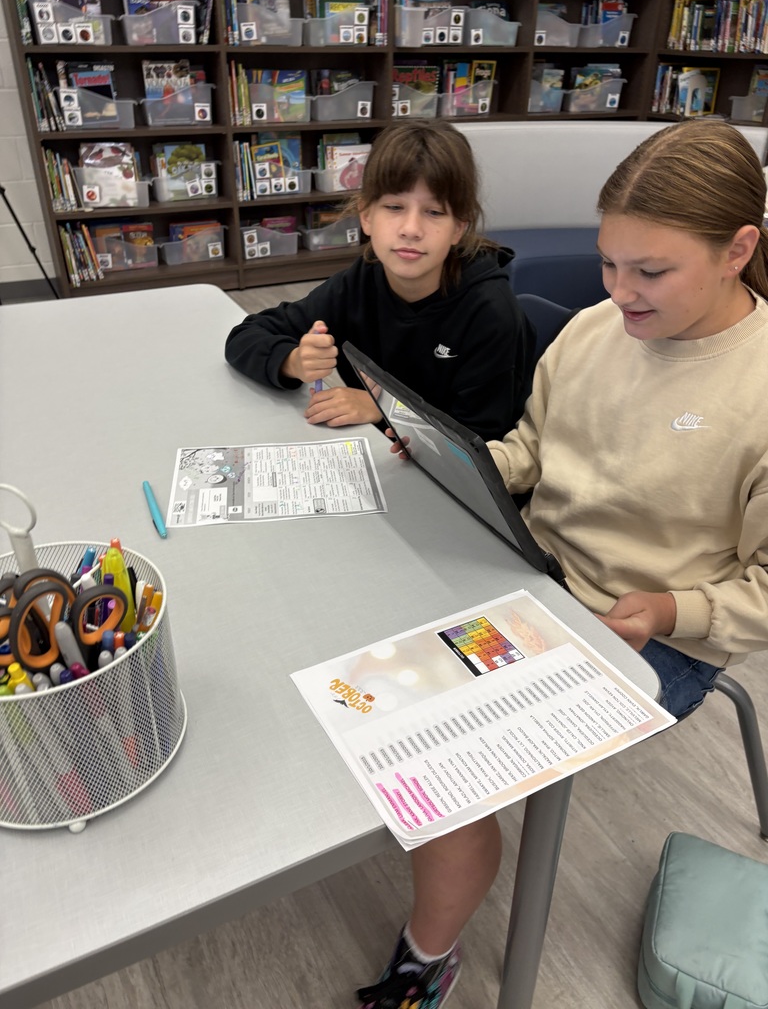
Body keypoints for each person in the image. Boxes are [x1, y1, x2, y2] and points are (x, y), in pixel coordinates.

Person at [371, 118, 768, 1009]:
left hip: (656, 633)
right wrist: (464, 461)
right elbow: (533, 449)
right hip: (536, 573)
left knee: (448, 760)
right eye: (608, 263)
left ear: (739, 250)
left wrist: (667, 611)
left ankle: (425, 960)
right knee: (369, 656)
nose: (619, 293)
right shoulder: (594, 330)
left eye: (650, 272)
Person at [225, 120, 535, 440]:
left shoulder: (490, 312)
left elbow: (483, 441)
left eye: (434, 212)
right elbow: (246, 335)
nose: (411, 229)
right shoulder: (363, 279)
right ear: (366, 216)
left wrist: (388, 409)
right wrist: (293, 361)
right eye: (394, 207)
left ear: (459, 227)